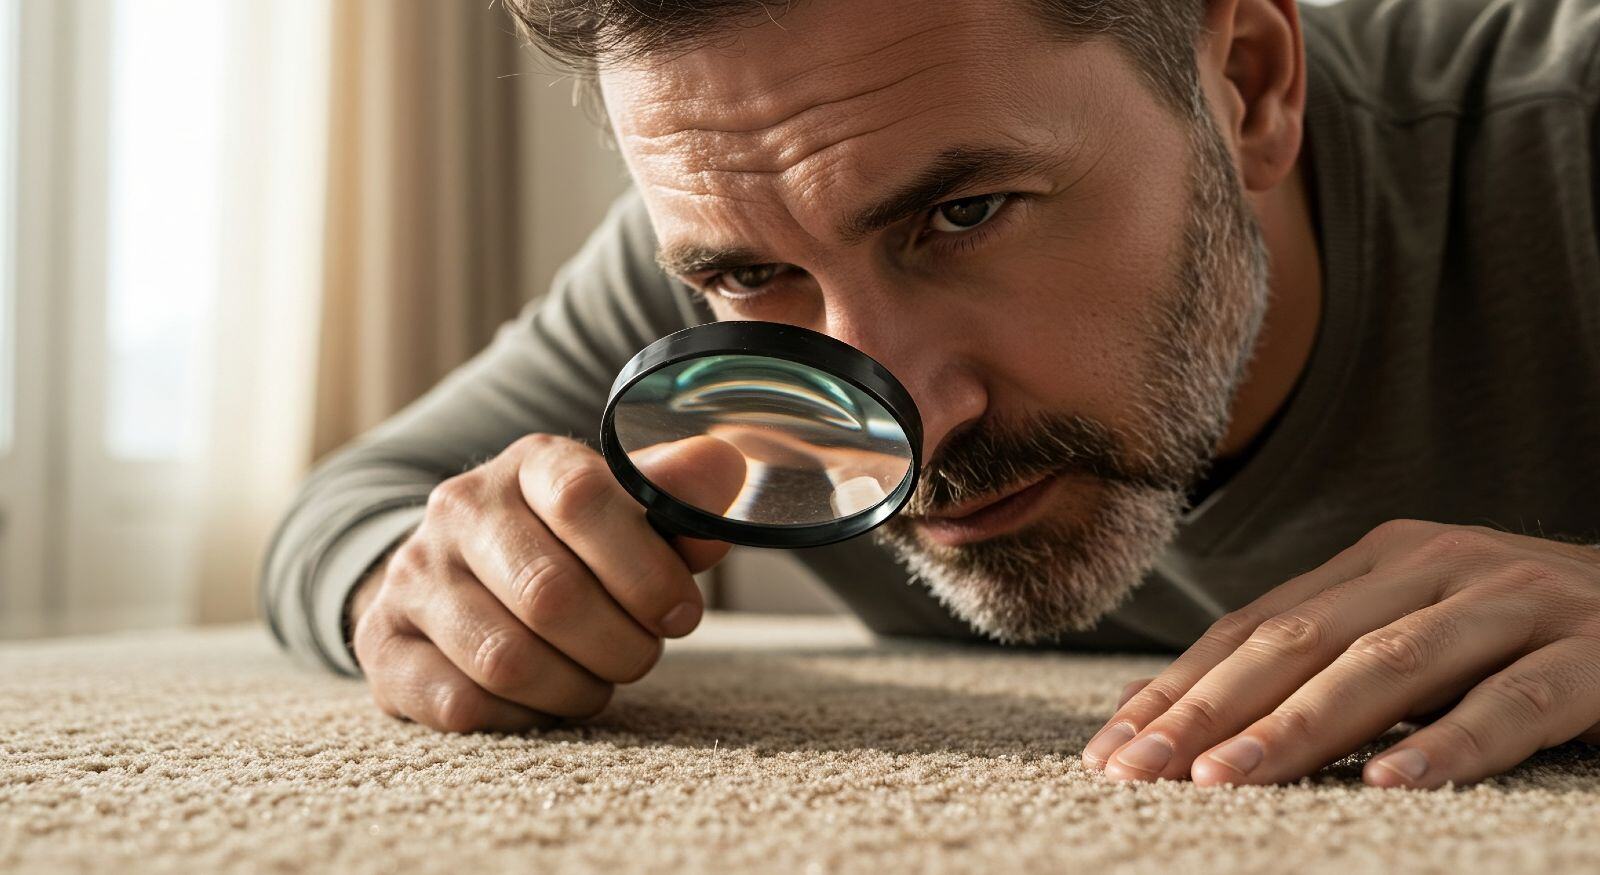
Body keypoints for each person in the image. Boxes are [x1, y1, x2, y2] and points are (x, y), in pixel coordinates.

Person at [261, 0, 1600, 790]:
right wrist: (453, 585)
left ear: (1247, 83)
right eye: (752, 276)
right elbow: (356, 505)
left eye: (963, 213)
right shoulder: (723, 243)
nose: (897, 413)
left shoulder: (1565, 128)